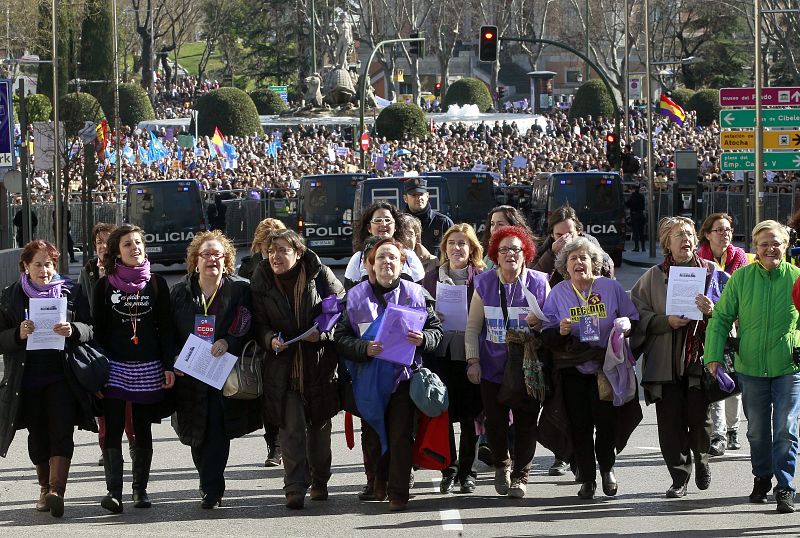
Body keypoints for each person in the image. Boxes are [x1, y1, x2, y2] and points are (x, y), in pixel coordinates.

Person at [335, 238, 442, 511]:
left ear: (402, 263)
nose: (387, 262)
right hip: (368, 380)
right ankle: (378, 484)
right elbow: (341, 337)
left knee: (400, 436)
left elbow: (436, 331)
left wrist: (424, 339)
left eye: (393, 257)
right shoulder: (355, 296)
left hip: (403, 378)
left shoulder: (416, 294)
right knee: (373, 437)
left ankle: (398, 493)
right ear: (371, 264)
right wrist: (364, 348)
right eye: (381, 257)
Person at [706, 221, 800, 514]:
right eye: (764, 244)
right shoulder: (742, 278)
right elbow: (721, 318)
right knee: (757, 432)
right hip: (751, 368)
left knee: (786, 429)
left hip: (789, 367)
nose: (770, 249)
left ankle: (784, 487)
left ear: (785, 246)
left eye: (776, 243)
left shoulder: (797, 278)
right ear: (755, 249)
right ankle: (761, 478)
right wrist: (713, 356)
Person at [630, 216, 725, 499]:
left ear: (697, 240)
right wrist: (663, 322)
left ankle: (703, 461)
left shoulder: (712, 272)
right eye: (678, 235)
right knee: (670, 424)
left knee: (699, 418)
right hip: (664, 362)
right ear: (666, 243)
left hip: (700, 359)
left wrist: (713, 309)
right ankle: (678, 478)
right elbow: (635, 314)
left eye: (689, 234)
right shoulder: (652, 276)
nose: (685, 239)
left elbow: (732, 311)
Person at [0, 240, 95, 518]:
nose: (45, 270)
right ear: (26, 266)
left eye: (50, 264)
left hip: (62, 376)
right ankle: (43, 488)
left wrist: (73, 329)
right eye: (38, 264)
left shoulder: (72, 292)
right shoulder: (11, 296)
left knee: (62, 430)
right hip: (27, 380)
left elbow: (91, 328)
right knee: (38, 434)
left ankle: (57, 491)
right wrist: (17, 334)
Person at [251, 229, 345, 510]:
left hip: (318, 365)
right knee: (290, 429)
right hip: (283, 367)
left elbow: (342, 310)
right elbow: (258, 324)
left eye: (282, 250)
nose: (276, 256)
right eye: (271, 251)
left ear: (298, 252)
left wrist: (324, 335)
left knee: (319, 430)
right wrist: (270, 340)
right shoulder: (261, 279)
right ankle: (294, 487)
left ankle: (320, 481)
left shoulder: (320, 274)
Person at [541, 237, 640, 500]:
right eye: (572, 258)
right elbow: (545, 330)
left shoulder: (611, 288)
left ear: (594, 263)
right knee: (579, 425)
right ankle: (587, 478)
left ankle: (607, 469)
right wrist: (559, 331)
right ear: (565, 265)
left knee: (606, 423)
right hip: (573, 369)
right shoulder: (559, 292)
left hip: (606, 366)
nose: (578, 262)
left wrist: (626, 325)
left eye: (584, 257)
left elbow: (633, 318)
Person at [171, 230, 260, 509]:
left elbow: (247, 321)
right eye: (206, 254)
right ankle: (206, 478)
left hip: (223, 372)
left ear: (227, 260)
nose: (212, 259)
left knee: (217, 430)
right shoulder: (181, 291)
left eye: (217, 255)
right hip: (189, 372)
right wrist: (174, 358)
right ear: (195, 261)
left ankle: (213, 488)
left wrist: (228, 340)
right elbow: (169, 330)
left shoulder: (239, 289)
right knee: (196, 432)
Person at [93, 224, 175, 513]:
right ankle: (113, 492)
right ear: (117, 251)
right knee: (113, 429)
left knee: (142, 429)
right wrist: (99, 371)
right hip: (114, 367)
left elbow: (166, 329)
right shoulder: (103, 286)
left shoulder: (156, 284)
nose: (135, 248)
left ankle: (140, 491)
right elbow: (97, 332)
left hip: (149, 366)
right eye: (127, 244)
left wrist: (169, 366)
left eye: (138, 242)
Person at [464, 225, 549, 498]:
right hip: (492, 366)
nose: (510, 254)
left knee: (526, 422)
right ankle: (502, 464)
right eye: (504, 250)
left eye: (516, 249)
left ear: (526, 253)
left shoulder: (539, 282)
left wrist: (541, 323)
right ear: (495, 255)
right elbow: (473, 327)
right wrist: (473, 361)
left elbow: (552, 324)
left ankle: (522, 476)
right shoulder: (484, 283)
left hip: (527, 366)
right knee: (496, 422)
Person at [421, 223, 485, 494]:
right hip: (440, 353)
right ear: (444, 248)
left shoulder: (482, 277)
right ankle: (450, 467)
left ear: (472, 249)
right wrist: (431, 315)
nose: (457, 248)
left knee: (471, 414)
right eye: (452, 243)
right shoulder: (431, 277)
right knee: (443, 412)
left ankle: (468, 471)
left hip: (471, 352)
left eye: (463, 243)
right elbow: (418, 312)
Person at [78, 223, 136, 467]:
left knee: (130, 402)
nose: (102, 246)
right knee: (103, 397)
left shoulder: (127, 270)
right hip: (98, 344)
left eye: (106, 241)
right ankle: (107, 446)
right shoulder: (89, 270)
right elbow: (84, 306)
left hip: (126, 344)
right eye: (98, 242)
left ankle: (134, 442)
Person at [696, 212, 748, 456]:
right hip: (709, 326)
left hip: (735, 323)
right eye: (719, 229)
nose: (725, 233)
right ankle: (718, 434)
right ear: (707, 234)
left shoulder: (739, 258)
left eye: (728, 229)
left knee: (734, 376)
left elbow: (745, 292)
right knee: (716, 374)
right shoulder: (699, 261)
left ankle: (733, 430)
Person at [237, 217, 287, 467]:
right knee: (272, 394)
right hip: (264, 338)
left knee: (272, 396)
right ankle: (277, 446)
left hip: (268, 337)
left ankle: (276, 447)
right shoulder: (249, 268)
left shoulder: (247, 266)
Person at [345, 202, 425, 288]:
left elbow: (420, 291)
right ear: (369, 228)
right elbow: (350, 293)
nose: (383, 224)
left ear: (395, 228)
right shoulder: (358, 259)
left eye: (388, 220)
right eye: (378, 220)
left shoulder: (409, 256)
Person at [533, 204, 615, 288]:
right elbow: (534, 280)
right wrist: (551, 254)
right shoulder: (543, 249)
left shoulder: (590, 243)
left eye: (569, 234)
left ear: (578, 231)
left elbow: (607, 270)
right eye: (559, 235)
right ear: (552, 235)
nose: (565, 239)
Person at [402, 177, 454, 257]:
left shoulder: (443, 223)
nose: (418, 198)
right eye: (414, 195)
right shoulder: (399, 224)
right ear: (405, 198)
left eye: (421, 194)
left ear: (427, 196)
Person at [480, 206, 533, 270]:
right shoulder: (487, 253)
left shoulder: (521, 253)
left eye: (500, 224)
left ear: (513, 226)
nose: (494, 229)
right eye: (492, 224)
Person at [626, 184, 647, 252]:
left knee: (635, 232)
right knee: (641, 232)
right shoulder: (641, 196)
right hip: (641, 214)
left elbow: (628, 204)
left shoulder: (632, 196)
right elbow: (643, 205)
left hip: (634, 215)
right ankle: (643, 247)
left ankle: (637, 247)